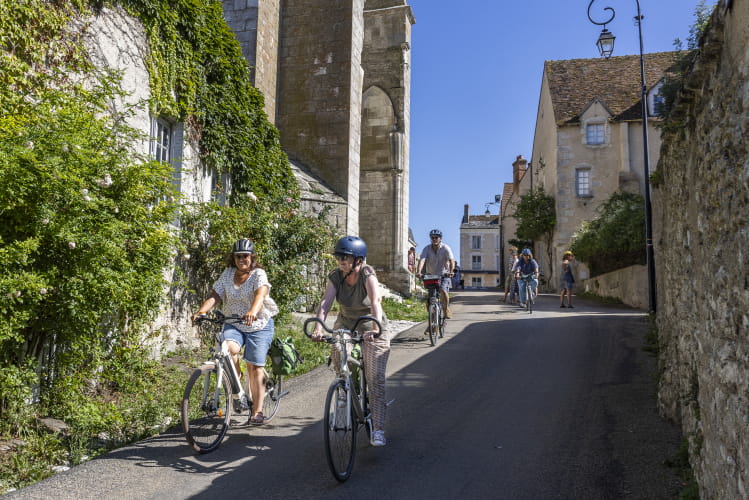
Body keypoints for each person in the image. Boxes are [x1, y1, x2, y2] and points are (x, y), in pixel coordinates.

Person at [311, 236, 390, 447]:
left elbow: (376, 301)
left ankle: (379, 429)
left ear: (358, 260)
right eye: (339, 257)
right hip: (346, 325)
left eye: (345, 257)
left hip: (371, 327)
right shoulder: (336, 276)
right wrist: (318, 327)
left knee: (374, 379)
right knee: (337, 346)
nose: (341, 261)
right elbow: (326, 303)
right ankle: (345, 388)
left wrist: (374, 329)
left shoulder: (367, 273)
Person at [192, 238, 279, 424]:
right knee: (227, 349)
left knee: (255, 366)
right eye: (238, 256)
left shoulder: (258, 274)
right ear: (233, 258)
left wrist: (252, 312)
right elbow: (215, 295)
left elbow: (260, 295)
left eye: (245, 256)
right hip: (234, 322)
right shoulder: (228, 274)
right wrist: (202, 311)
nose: (242, 259)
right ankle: (236, 378)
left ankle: (257, 411)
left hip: (259, 325)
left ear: (252, 257)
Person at [416, 229, 456, 320]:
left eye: (436, 237)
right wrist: (419, 272)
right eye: (432, 237)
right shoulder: (427, 248)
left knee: (443, 290)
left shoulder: (445, 248)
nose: (434, 239)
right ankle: (432, 319)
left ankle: (446, 310)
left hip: (444, 274)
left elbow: (451, 260)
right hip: (431, 275)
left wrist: (451, 271)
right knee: (430, 300)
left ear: (440, 239)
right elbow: (422, 260)